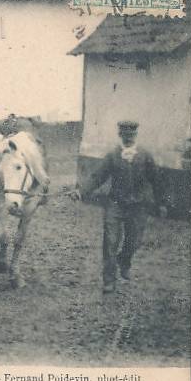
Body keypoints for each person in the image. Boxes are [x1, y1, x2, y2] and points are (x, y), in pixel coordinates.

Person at [70, 120, 165, 293]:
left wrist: (162, 203)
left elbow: (157, 180)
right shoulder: (112, 155)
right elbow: (97, 176)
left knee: (134, 241)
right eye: (125, 135)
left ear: (135, 135)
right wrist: (81, 192)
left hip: (138, 206)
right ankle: (109, 280)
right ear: (120, 135)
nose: (128, 138)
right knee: (110, 241)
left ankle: (124, 261)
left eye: (131, 135)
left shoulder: (145, 155)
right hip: (115, 204)